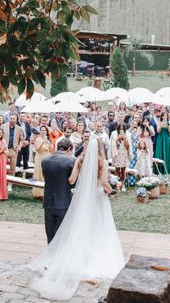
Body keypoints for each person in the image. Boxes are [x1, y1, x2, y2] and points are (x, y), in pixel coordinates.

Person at [28, 137, 124, 301]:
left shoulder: (79, 159)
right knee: (99, 227)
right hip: (98, 198)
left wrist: (83, 185)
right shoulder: (103, 162)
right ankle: (93, 257)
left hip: (81, 199)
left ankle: (74, 257)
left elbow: (71, 180)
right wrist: (113, 189)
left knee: (80, 226)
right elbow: (103, 182)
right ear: (101, 148)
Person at [2, 114, 23, 191]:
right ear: (9, 119)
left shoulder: (19, 129)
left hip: (14, 150)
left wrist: (19, 147)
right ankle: (2, 182)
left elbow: (22, 139)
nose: (12, 120)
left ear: (16, 120)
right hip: (4, 150)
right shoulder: (3, 126)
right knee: (2, 166)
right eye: (11, 118)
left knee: (12, 168)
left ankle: (10, 184)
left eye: (14, 118)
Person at [32, 125, 52, 199]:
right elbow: (37, 149)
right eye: (42, 130)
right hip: (40, 157)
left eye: (45, 130)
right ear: (40, 131)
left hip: (47, 156)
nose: (43, 131)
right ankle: (39, 193)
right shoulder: (38, 139)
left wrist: (49, 143)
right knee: (40, 173)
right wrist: (43, 142)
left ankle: (45, 192)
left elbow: (51, 149)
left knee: (46, 175)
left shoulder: (48, 139)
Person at [110, 123, 129, 191]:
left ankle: (123, 184)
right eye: (120, 128)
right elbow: (112, 145)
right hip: (117, 154)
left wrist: (125, 139)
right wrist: (117, 139)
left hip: (123, 153)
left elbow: (127, 147)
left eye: (122, 129)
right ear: (117, 129)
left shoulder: (127, 135)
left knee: (123, 169)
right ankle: (117, 184)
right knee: (117, 169)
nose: (121, 129)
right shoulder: (114, 135)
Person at [126, 119, 139, 187]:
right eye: (132, 124)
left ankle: (133, 181)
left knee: (134, 166)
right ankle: (128, 181)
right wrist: (132, 133)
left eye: (135, 124)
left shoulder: (137, 132)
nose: (134, 125)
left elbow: (138, 140)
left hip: (135, 151)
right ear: (130, 124)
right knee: (129, 166)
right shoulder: (127, 131)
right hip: (129, 151)